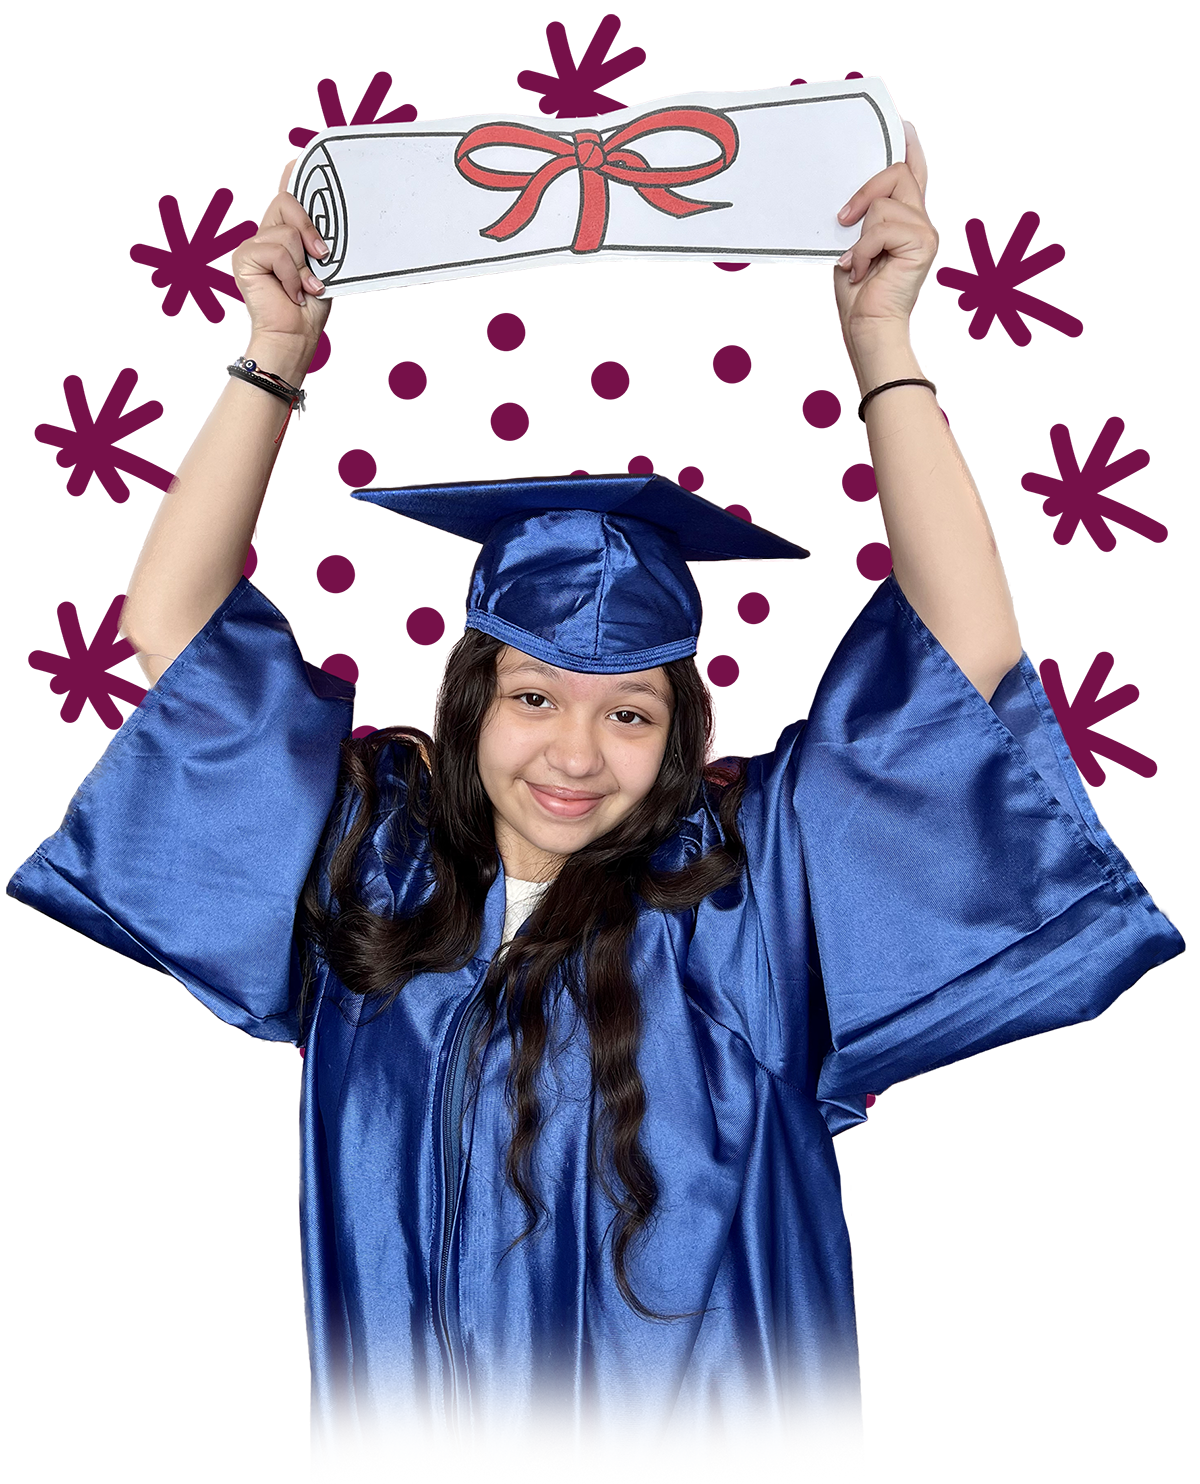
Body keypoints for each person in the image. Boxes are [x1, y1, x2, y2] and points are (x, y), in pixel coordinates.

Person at [8, 124, 1181, 1484]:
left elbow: (961, 656)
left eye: (628, 712)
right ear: (467, 706)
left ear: (677, 732)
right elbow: (170, 627)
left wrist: (883, 344)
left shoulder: (747, 893)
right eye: (534, 699)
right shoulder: (374, 871)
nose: (575, 753)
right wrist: (277, 350)